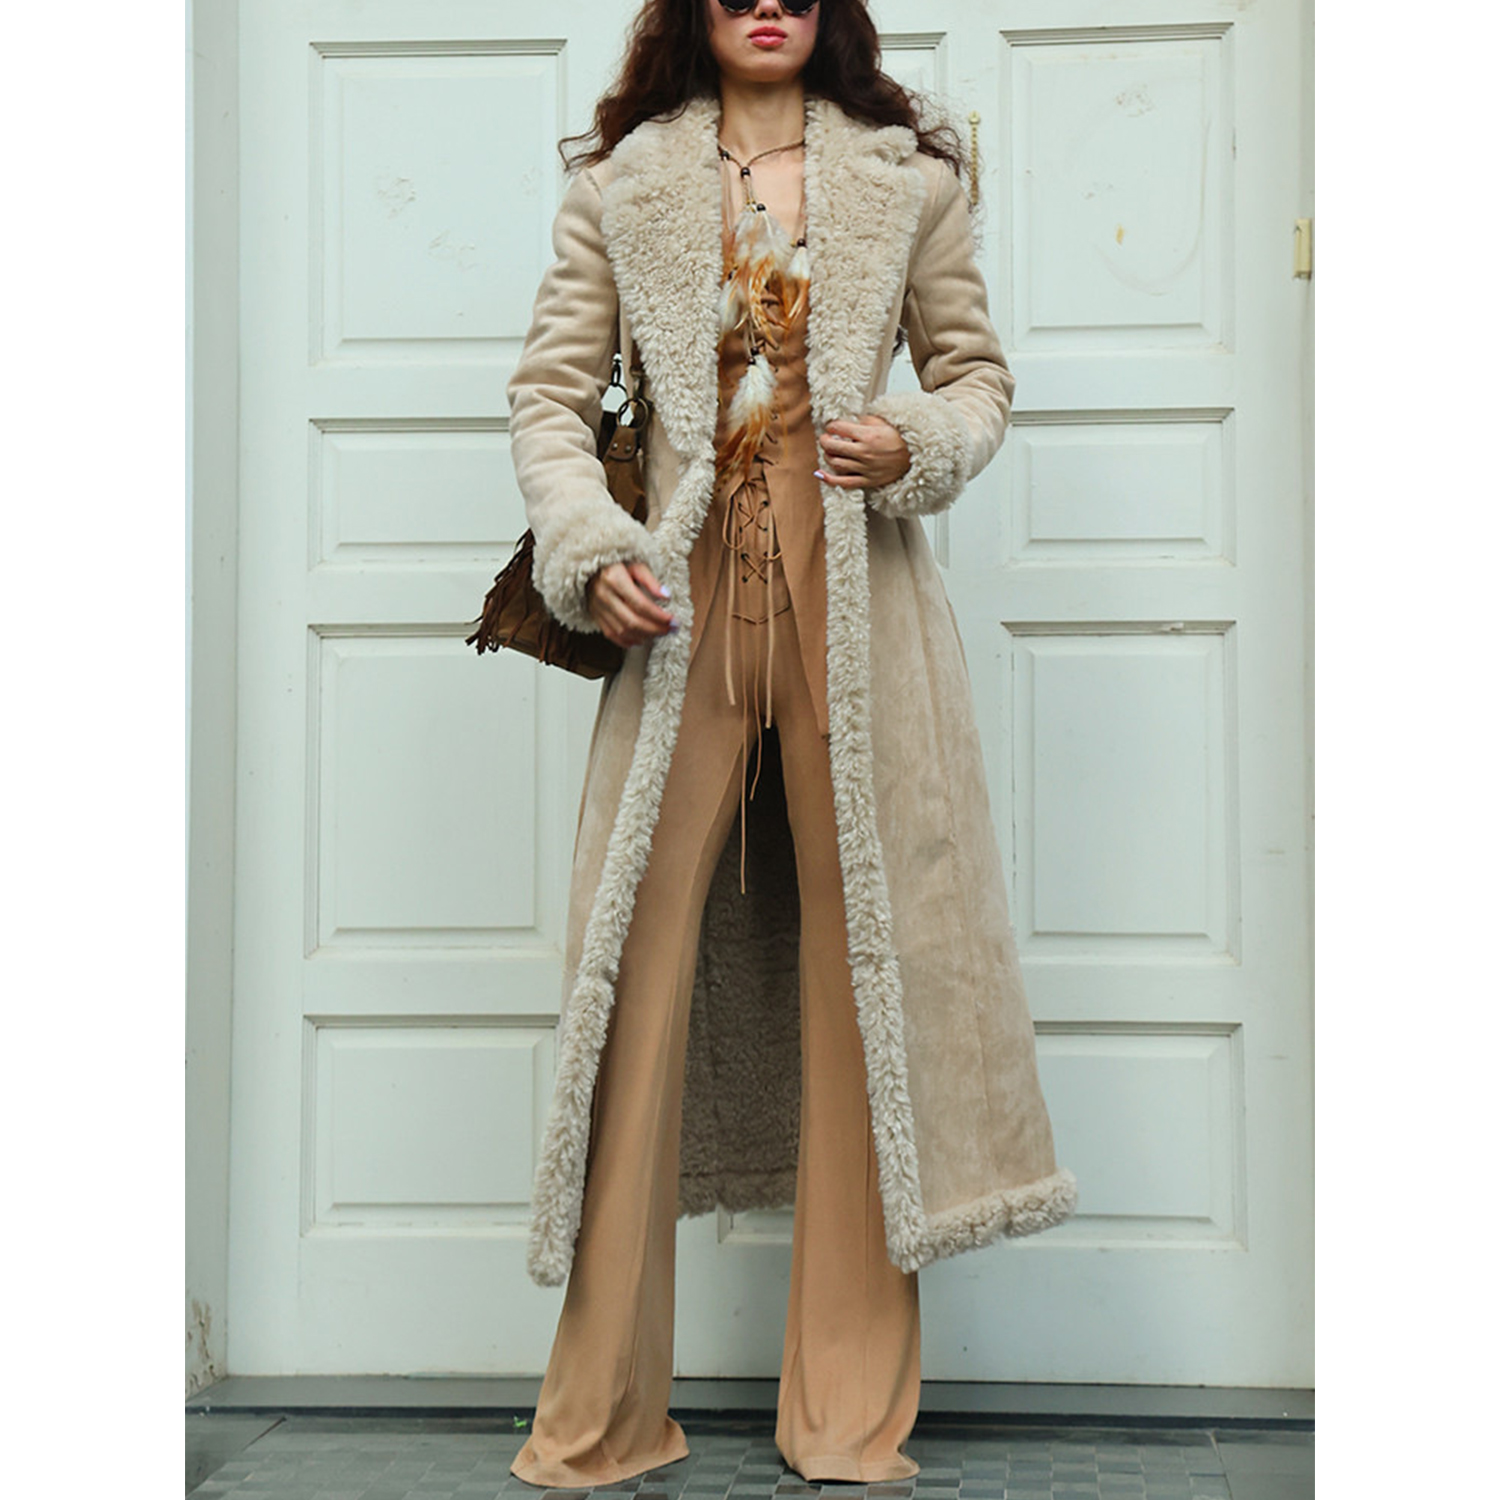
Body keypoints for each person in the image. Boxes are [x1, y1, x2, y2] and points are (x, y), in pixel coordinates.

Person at [504, 0, 1078, 1487]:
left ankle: (845, 1419)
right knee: (629, 994)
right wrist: (590, 544)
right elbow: (550, 400)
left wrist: (915, 442)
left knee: (863, 984)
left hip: (860, 624)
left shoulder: (912, 174)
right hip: (676, 622)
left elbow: (977, 376)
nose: (768, 0)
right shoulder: (622, 178)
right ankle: (601, 1416)